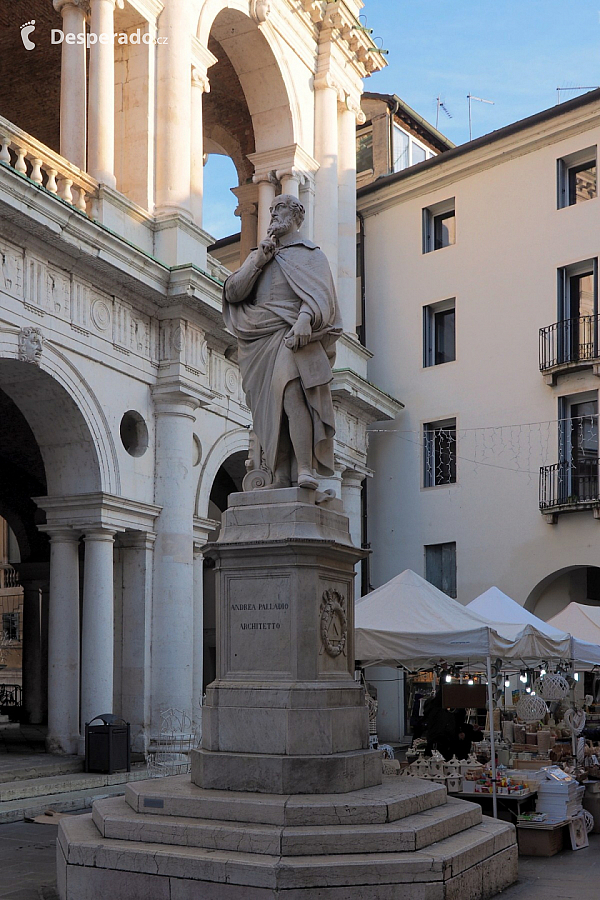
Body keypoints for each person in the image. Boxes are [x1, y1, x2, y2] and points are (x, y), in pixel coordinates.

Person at [223, 195, 342, 490]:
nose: (274, 214)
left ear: (296, 215)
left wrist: (305, 317)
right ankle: (279, 475)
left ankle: (304, 469)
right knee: (268, 409)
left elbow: (321, 297)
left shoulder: (311, 254)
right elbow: (233, 293)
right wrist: (257, 261)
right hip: (258, 340)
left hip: (292, 335)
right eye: (272, 210)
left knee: (290, 393)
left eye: (280, 209)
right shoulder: (260, 253)